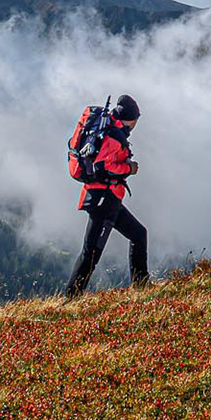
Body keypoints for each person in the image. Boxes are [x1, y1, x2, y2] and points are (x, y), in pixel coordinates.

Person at [64, 95, 148, 297]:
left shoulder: (110, 127)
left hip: (106, 198)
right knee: (91, 252)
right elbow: (102, 167)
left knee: (138, 234)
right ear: (132, 119)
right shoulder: (114, 136)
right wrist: (129, 168)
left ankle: (141, 285)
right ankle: (71, 297)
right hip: (103, 200)